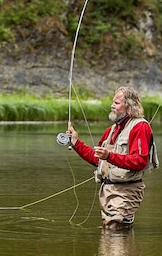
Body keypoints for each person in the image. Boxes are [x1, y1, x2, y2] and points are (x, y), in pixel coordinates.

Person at [66, 86, 157, 231]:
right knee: (110, 237)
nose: (112, 106)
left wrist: (109, 156)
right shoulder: (111, 130)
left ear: (129, 106)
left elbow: (140, 161)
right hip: (107, 191)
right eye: (113, 102)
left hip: (127, 190)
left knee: (114, 231)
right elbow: (98, 160)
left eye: (116, 103)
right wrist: (76, 143)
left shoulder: (140, 127)